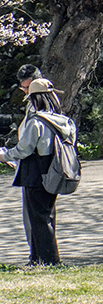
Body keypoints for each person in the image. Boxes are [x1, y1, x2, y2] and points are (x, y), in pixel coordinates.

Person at [0, 78, 74, 265]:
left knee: (38, 219)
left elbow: (24, 149)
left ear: (35, 99)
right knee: (47, 215)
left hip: (34, 171)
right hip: (55, 169)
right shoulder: (65, 122)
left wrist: (5, 156)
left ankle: (49, 260)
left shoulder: (36, 122)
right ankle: (38, 258)